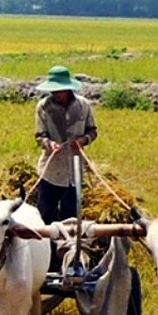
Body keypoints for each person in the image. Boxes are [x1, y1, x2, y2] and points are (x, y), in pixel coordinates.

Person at [34, 65, 98, 224]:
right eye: (53, 91)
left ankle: (67, 248)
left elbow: (92, 131)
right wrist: (50, 145)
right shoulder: (43, 107)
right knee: (45, 215)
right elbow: (40, 136)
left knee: (70, 217)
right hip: (51, 172)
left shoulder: (83, 105)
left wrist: (83, 140)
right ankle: (46, 248)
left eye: (58, 91)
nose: (55, 94)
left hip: (75, 171)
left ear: (68, 89)